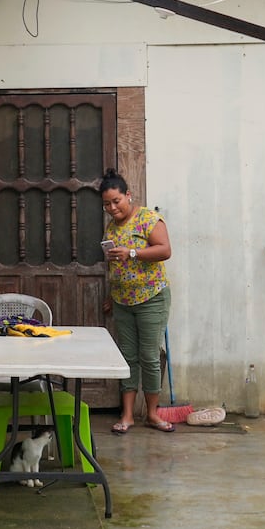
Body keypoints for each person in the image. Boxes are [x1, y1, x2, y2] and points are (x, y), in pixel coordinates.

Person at [99, 168, 174, 433]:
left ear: (128, 195)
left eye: (116, 201)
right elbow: (116, 267)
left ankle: (152, 414)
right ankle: (127, 415)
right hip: (122, 301)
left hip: (151, 297)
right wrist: (111, 295)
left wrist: (131, 252)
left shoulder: (148, 219)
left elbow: (165, 250)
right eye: (107, 204)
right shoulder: (111, 226)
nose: (112, 207)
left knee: (149, 356)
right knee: (127, 357)